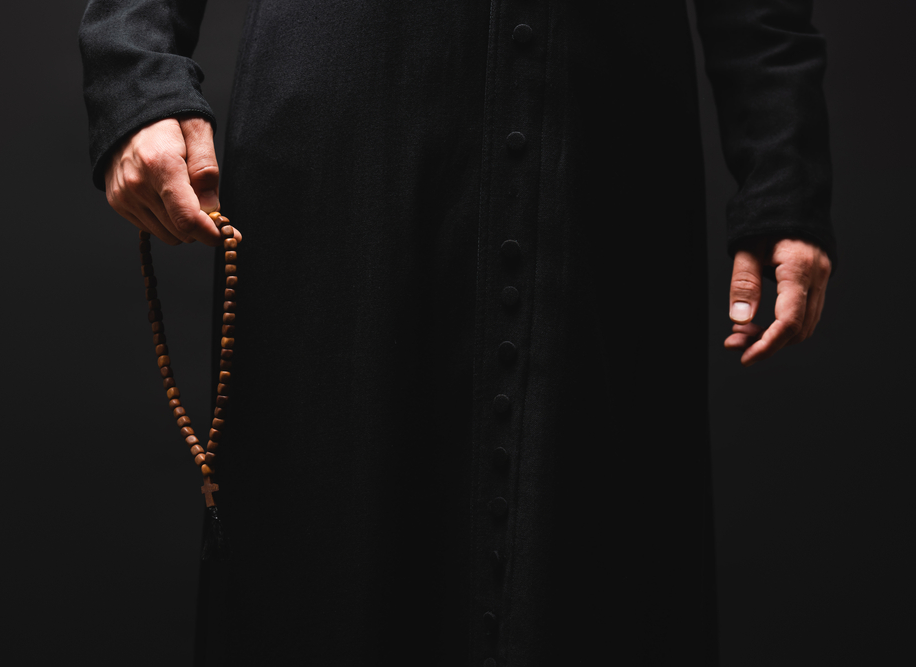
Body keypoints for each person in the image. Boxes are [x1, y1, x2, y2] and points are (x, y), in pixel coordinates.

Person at [80, 1, 834, 664]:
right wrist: (134, 72)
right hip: (342, 139)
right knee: (319, 573)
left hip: (603, 160)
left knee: (593, 580)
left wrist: (784, 173)